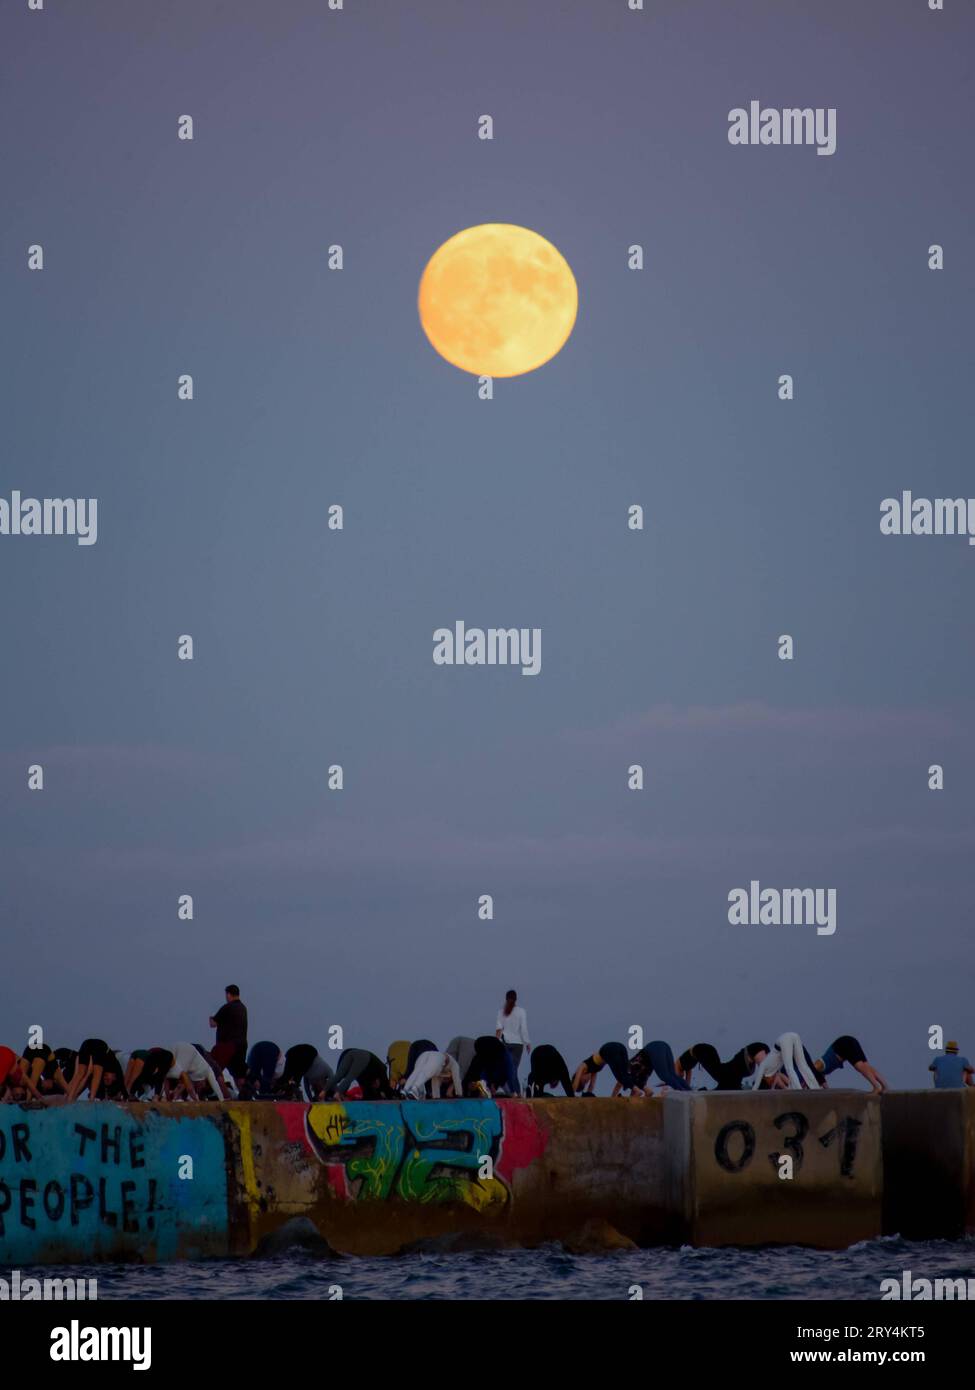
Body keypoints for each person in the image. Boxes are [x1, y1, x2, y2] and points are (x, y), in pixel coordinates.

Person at [677, 1042, 769, 1091]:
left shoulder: (675, 1068)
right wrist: (687, 1090)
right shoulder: (684, 1068)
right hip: (705, 1050)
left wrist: (682, 1089)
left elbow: (675, 1078)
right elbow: (688, 1072)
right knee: (724, 1077)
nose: (681, 1076)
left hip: (701, 1050)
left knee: (720, 1074)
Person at [746, 1033, 820, 1091]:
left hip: (784, 1041)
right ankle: (815, 1087)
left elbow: (756, 1085)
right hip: (793, 1037)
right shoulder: (773, 1072)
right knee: (803, 1065)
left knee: (789, 1068)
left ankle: (799, 1090)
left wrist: (753, 1091)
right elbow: (782, 1079)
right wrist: (788, 1087)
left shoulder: (764, 1066)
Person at [813, 1035, 888, 1093]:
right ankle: (884, 1086)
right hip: (847, 1042)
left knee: (860, 1066)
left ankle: (876, 1086)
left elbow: (818, 1076)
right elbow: (823, 1083)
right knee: (865, 1065)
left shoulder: (817, 1066)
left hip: (843, 1045)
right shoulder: (822, 1072)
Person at [572, 1042, 647, 1098]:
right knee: (624, 1075)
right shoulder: (593, 1071)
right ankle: (637, 1091)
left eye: (584, 1081)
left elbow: (575, 1081)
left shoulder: (583, 1066)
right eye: (586, 1083)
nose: (587, 1081)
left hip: (608, 1050)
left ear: (580, 1076)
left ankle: (636, 1090)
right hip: (620, 1047)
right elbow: (591, 1086)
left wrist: (572, 1096)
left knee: (621, 1077)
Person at [64, 1039, 128, 1102]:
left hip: (86, 1044)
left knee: (80, 1074)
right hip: (99, 1046)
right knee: (95, 1075)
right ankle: (90, 1100)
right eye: (107, 1078)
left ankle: (69, 1097)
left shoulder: (102, 1070)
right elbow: (122, 1085)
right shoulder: (116, 1067)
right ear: (114, 1076)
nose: (105, 1077)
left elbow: (86, 1081)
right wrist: (126, 1096)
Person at [209, 985, 248, 1083]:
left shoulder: (228, 1007)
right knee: (239, 1073)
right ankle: (243, 1094)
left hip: (228, 1045)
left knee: (215, 1069)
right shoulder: (243, 1008)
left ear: (229, 994)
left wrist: (210, 1018)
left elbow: (213, 1023)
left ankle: (220, 1093)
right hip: (242, 1044)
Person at [496, 990, 531, 1096]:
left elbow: (498, 1030)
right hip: (518, 1045)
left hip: (504, 1044)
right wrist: (527, 1042)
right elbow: (523, 1029)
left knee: (508, 1069)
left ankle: (514, 1092)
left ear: (506, 999)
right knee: (513, 1069)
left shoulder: (501, 1012)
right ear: (516, 999)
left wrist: (496, 1043)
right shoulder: (521, 1011)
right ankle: (517, 1093)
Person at [325, 1049, 396, 1100]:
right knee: (346, 1078)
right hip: (362, 1062)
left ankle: (334, 1093)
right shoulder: (378, 1072)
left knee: (370, 1092)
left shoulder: (368, 1079)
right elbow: (346, 1080)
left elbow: (346, 1079)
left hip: (360, 1061)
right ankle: (335, 1093)